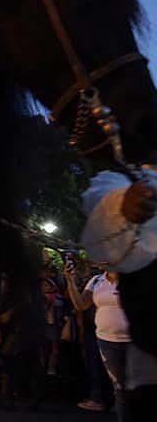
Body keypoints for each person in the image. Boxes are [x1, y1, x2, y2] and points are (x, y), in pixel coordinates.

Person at [80, 169, 157, 417]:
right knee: (127, 391)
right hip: (133, 342)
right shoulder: (129, 176)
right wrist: (123, 201)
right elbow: (100, 191)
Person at [65, 264, 129, 419]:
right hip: (107, 341)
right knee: (119, 388)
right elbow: (81, 305)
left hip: (133, 341)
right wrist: (70, 281)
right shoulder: (96, 281)